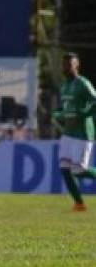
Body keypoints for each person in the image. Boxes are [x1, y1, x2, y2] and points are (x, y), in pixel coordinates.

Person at [52, 51, 96, 211]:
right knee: (64, 168)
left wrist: (85, 114)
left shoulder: (82, 83)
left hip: (82, 133)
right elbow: (63, 109)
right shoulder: (64, 86)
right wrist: (57, 114)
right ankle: (79, 204)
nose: (65, 67)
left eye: (69, 64)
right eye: (64, 65)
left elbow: (95, 101)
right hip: (68, 133)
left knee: (78, 170)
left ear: (77, 65)